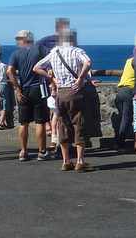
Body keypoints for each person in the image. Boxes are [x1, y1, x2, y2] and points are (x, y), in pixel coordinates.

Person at [33, 30, 93, 172]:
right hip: (76, 92)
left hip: (60, 93)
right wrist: (80, 78)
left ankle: (66, 161)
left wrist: (52, 79)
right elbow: (88, 62)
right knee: (79, 125)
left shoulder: (54, 52)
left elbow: (36, 68)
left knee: (63, 126)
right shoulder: (77, 51)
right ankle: (80, 161)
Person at [8, 30, 53, 161]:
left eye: (18, 38)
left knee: (24, 123)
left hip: (23, 90)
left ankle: (23, 151)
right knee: (40, 122)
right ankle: (42, 151)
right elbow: (50, 63)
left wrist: (16, 88)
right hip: (39, 89)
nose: (17, 41)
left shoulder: (16, 53)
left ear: (24, 39)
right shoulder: (40, 49)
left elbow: (9, 71)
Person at [114, 56, 136, 152]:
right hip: (129, 91)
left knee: (122, 117)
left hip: (120, 91)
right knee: (126, 118)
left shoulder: (128, 60)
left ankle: (118, 141)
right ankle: (120, 144)